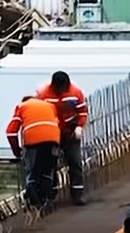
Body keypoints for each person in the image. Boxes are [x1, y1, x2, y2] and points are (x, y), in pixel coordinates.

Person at [36, 71, 90, 205]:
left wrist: (79, 127)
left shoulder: (75, 93)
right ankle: (50, 194)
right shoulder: (43, 94)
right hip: (52, 134)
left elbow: (82, 112)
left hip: (70, 133)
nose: (60, 91)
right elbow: (38, 112)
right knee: (49, 164)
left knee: (75, 162)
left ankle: (77, 194)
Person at [6, 93, 62, 209]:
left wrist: (17, 151)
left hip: (34, 142)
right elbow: (57, 124)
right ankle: (46, 199)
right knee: (47, 171)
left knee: (32, 172)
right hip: (53, 140)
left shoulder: (22, 106)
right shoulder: (49, 106)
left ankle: (34, 202)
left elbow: (10, 132)